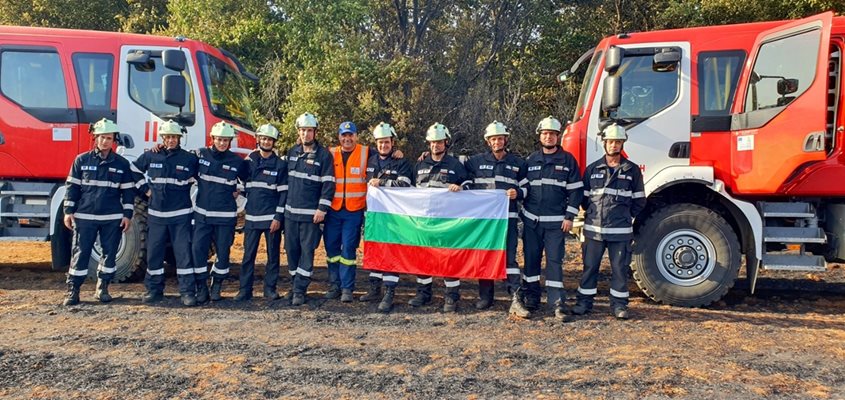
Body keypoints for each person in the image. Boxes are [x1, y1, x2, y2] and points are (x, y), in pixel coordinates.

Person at [574, 124, 645, 320]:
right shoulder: (592, 169)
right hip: (594, 231)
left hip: (620, 231)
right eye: (610, 142)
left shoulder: (632, 170)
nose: (614, 145)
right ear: (604, 143)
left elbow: (639, 201)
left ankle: (619, 306)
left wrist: (624, 217)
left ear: (622, 144)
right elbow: (584, 198)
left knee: (620, 270)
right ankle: (584, 303)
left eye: (617, 142)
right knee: (590, 268)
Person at [62, 118, 135, 306]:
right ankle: (73, 290)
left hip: (111, 218)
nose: (105, 141)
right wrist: (68, 211)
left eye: (109, 138)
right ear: (95, 137)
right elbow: (72, 187)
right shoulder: (81, 160)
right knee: (81, 252)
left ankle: (103, 288)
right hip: (85, 217)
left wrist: (127, 215)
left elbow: (128, 192)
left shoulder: (121, 164)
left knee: (109, 254)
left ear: (114, 140)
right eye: (102, 137)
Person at [519, 116, 583, 321]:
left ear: (558, 137)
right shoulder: (530, 161)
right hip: (532, 222)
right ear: (540, 136)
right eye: (545, 134)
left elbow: (576, 191)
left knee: (554, 262)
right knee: (531, 262)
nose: (548, 137)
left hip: (556, 224)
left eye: (552, 134)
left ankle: (556, 303)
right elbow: (521, 188)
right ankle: (532, 298)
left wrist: (570, 216)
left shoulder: (567, 161)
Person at [131, 120, 199, 306]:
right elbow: (133, 171)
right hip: (157, 216)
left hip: (181, 216)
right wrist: (145, 190)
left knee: (183, 255)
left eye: (174, 137)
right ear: (162, 138)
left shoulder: (189, 159)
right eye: (167, 137)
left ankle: (187, 292)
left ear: (179, 138)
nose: (171, 140)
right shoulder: (151, 156)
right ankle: (154, 290)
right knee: (154, 254)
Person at [463, 121, 527, 311]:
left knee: (509, 258)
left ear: (505, 140)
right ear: (488, 141)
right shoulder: (475, 162)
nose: (497, 142)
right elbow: (462, 177)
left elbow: (527, 187)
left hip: (509, 218)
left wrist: (519, 193)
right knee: (485, 256)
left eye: (500, 138)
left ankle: (516, 296)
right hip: (485, 222)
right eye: (493, 139)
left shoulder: (517, 163)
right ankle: (486, 297)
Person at [410, 122, 468, 312]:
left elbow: (469, 183)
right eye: (433, 142)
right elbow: (410, 189)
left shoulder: (454, 164)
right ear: (429, 144)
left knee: (448, 257)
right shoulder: (420, 164)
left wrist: (460, 187)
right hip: (424, 221)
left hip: (447, 222)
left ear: (446, 142)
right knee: (423, 257)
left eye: (440, 142)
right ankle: (423, 293)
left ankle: (451, 296)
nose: (436, 145)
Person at [360, 122, 413, 313]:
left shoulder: (401, 162)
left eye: (387, 142)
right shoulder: (370, 161)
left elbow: (406, 184)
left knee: (390, 253)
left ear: (393, 142)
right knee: (374, 250)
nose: (384, 145)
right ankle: (375, 288)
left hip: (393, 218)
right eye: (380, 142)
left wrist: (382, 182)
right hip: (373, 216)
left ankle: (389, 292)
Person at [284, 112, 335, 306]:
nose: (306, 134)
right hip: (290, 214)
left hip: (310, 216)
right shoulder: (292, 152)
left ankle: (300, 290)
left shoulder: (324, 155)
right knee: (291, 250)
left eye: (309, 130)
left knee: (306, 252)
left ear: (315, 132)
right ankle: (294, 283)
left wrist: (322, 209)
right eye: (302, 130)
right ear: (298, 131)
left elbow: (328, 184)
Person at [234, 124, 288, 302]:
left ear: (274, 142)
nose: (266, 142)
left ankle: (270, 289)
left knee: (273, 256)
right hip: (252, 218)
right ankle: (244, 290)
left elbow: (283, 194)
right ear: (258, 139)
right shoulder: (248, 162)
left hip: (271, 219)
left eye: (269, 139)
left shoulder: (280, 165)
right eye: (264, 138)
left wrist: (278, 217)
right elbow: (239, 181)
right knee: (248, 255)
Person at [192, 122, 243, 303]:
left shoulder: (237, 162)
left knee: (223, 253)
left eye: (226, 140)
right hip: (202, 216)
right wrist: (160, 148)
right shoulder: (200, 155)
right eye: (219, 139)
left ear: (230, 142)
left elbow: (250, 181)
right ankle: (201, 287)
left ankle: (217, 286)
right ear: (212, 139)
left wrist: (240, 190)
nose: (222, 143)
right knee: (198, 251)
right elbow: (179, 160)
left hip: (225, 217)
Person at [324, 121, 371, 302]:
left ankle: (347, 288)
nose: (347, 138)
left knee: (349, 249)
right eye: (344, 135)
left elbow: (385, 159)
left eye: (350, 135)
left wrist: (397, 154)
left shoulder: (366, 153)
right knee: (331, 249)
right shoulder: (331, 153)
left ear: (356, 136)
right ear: (339, 137)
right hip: (333, 210)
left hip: (354, 211)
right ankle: (334, 285)